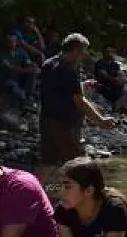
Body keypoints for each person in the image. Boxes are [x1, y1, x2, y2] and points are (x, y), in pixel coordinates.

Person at [39, 33, 116, 166]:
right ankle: (83, 187)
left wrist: (81, 86)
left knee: (47, 163)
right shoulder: (70, 70)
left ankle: (35, 187)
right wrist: (100, 120)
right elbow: (79, 101)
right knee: (78, 165)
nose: (84, 56)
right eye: (83, 52)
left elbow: (58, 90)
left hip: (46, 121)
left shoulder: (48, 64)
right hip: (65, 125)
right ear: (75, 50)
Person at [0, 32, 37, 108]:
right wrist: (26, 70)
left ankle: (29, 94)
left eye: (12, 41)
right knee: (17, 92)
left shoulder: (21, 52)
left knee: (34, 71)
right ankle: (23, 100)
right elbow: (9, 68)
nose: (10, 43)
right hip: (7, 79)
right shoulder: (1, 54)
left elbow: (29, 64)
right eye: (8, 41)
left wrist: (30, 68)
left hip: (20, 77)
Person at [93, 46, 127, 113]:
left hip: (115, 87)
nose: (110, 53)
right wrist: (114, 79)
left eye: (111, 52)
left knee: (124, 89)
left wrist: (120, 80)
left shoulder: (115, 64)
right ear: (104, 53)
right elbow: (103, 74)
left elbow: (120, 74)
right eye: (108, 52)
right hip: (104, 87)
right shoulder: (100, 63)